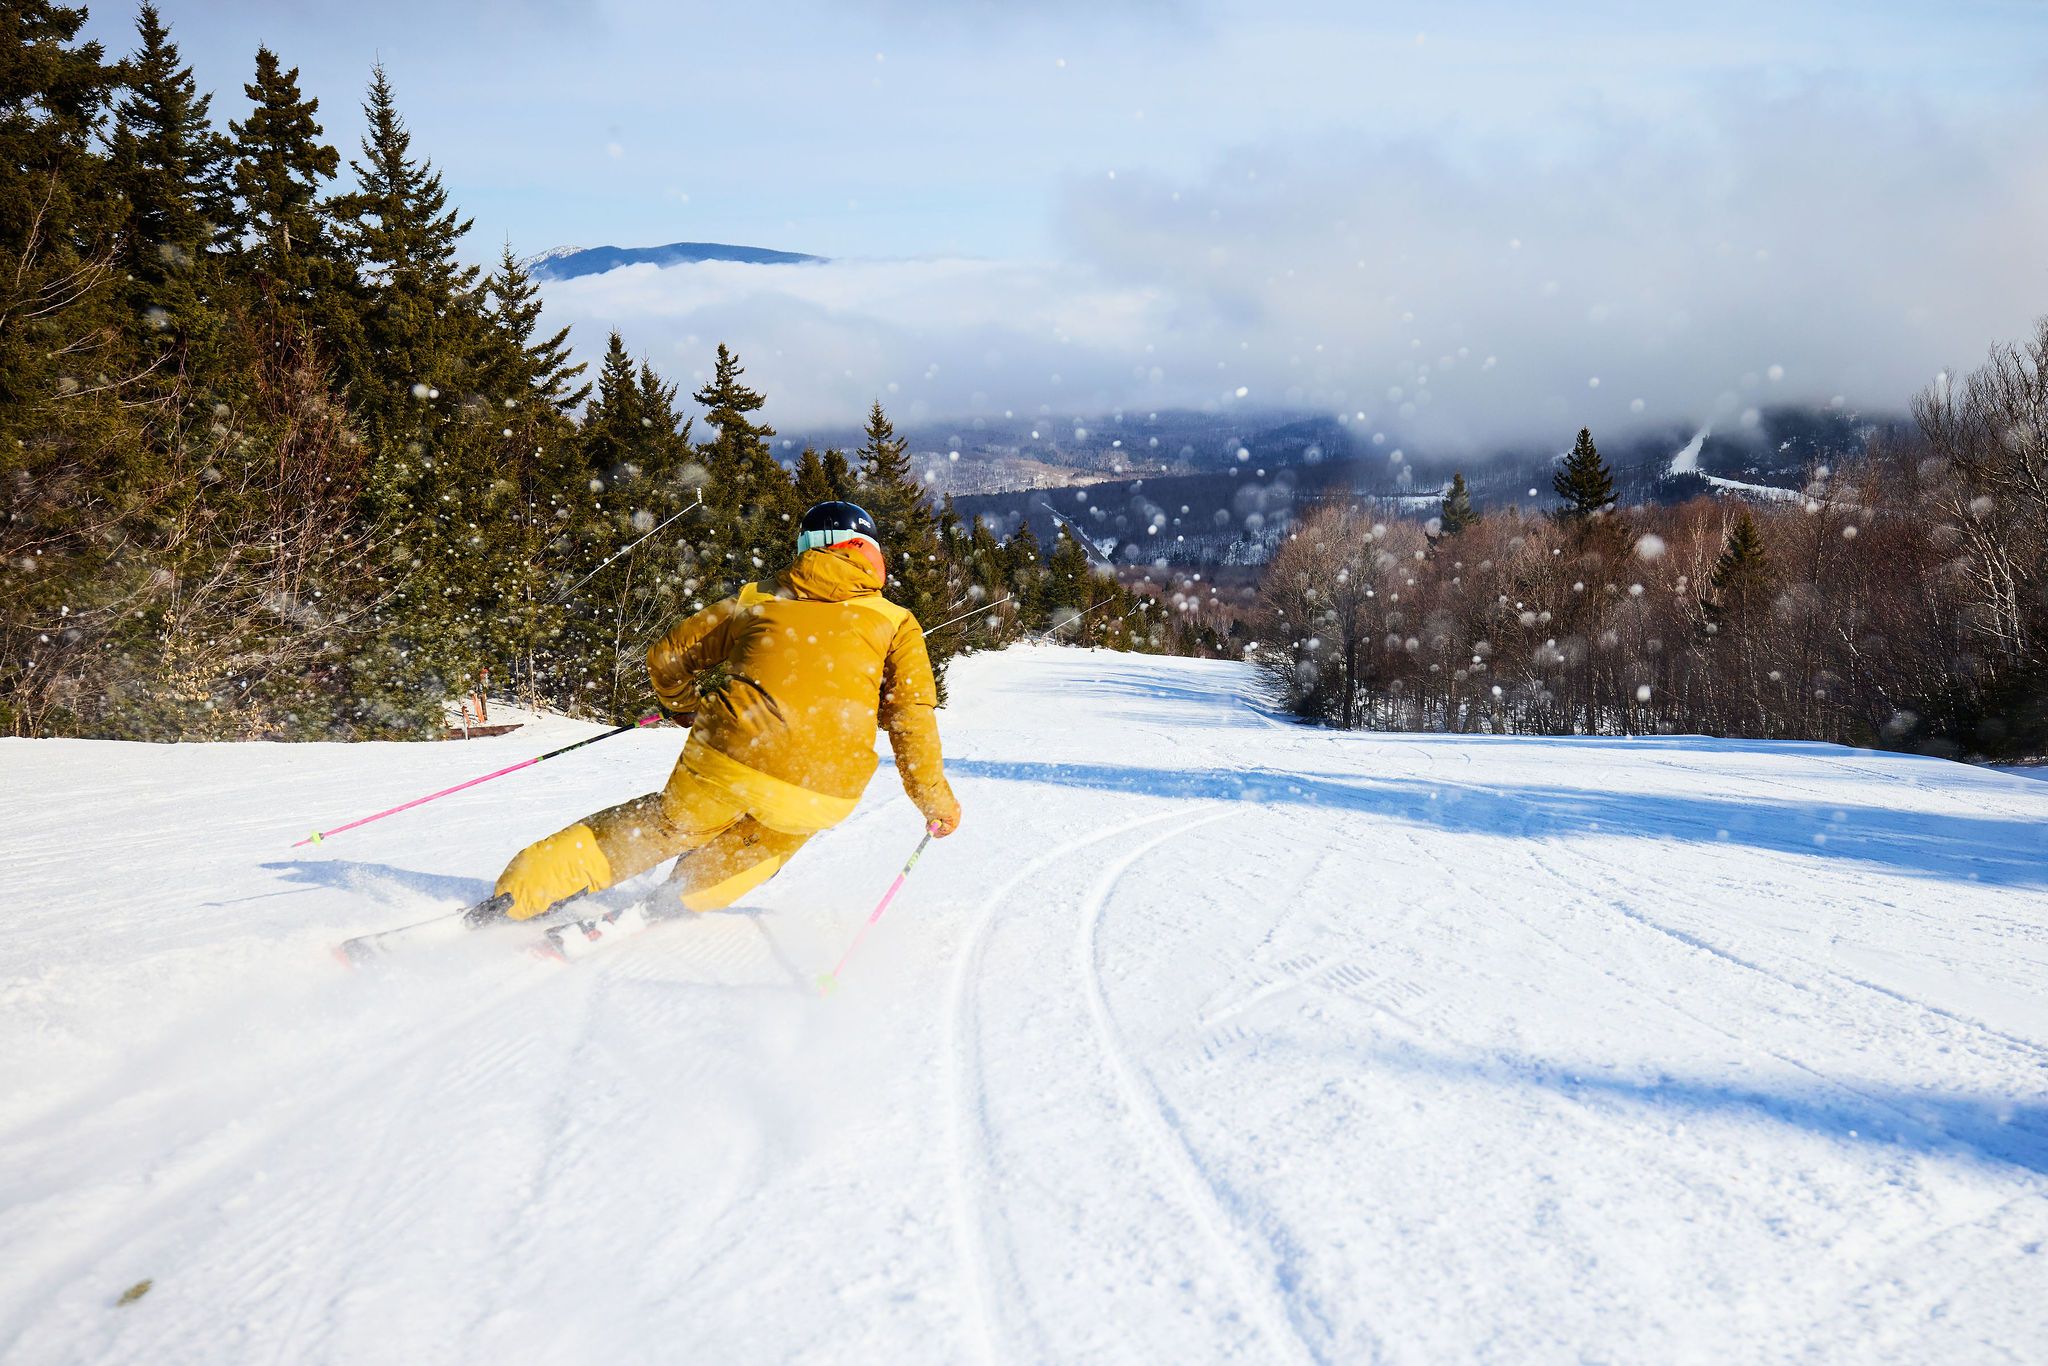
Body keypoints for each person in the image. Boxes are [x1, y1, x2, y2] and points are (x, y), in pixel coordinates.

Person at [490, 501, 961, 921]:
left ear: (806, 547)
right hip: (827, 783)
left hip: (728, 756)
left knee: (665, 827)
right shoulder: (897, 621)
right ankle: (683, 897)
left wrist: (683, 708)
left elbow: (667, 658)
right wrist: (935, 801)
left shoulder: (756, 599)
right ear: (870, 552)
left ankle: (523, 890)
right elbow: (911, 718)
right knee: (772, 838)